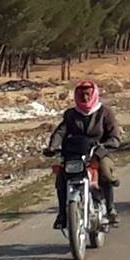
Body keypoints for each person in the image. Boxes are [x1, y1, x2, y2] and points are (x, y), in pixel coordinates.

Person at [45, 80, 121, 228]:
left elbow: (115, 137)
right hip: (74, 154)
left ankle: (111, 209)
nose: (85, 98)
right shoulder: (70, 114)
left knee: (105, 170)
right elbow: (60, 132)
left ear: (94, 94)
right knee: (61, 175)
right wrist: (52, 147)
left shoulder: (105, 112)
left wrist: (107, 145)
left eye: (88, 94)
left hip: (98, 152)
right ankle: (62, 214)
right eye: (81, 94)